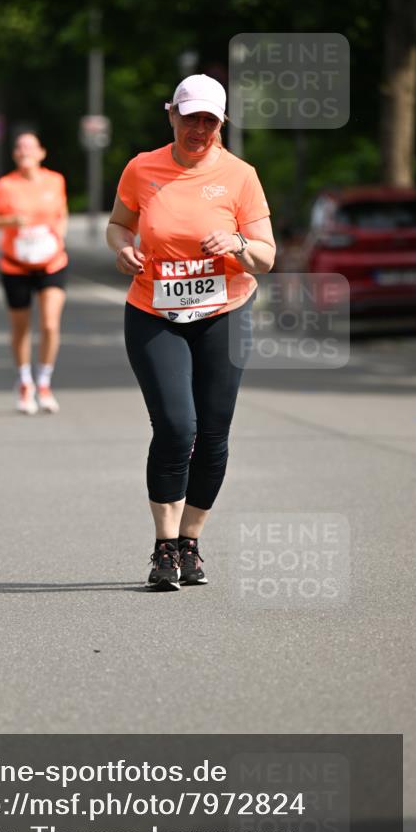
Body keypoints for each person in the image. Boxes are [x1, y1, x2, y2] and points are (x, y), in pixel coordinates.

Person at [106, 74, 276, 591]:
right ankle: (163, 547)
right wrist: (122, 249)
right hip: (154, 312)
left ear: (221, 123)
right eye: (190, 117)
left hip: (224, 312)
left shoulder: (241, 175)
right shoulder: (142, 167)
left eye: (209, 120)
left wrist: (237, 243)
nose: (198, 129)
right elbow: (118, 223)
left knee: (214, 435)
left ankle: (191, 544)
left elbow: (266, 258)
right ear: (172, 115)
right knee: (178, 427)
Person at [0, 132, 68, 414]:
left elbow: (61, 213)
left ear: (42, 152)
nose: (24, 151)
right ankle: (24, 381)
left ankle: (44, 382)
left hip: (51, 262)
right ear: (14, 154)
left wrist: (59, 238)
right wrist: (9, 220)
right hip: (15, 264)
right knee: (21, 327)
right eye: (19, 147)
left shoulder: (55, 180)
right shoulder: (5, 185)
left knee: (51, 324)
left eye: (30, 147)